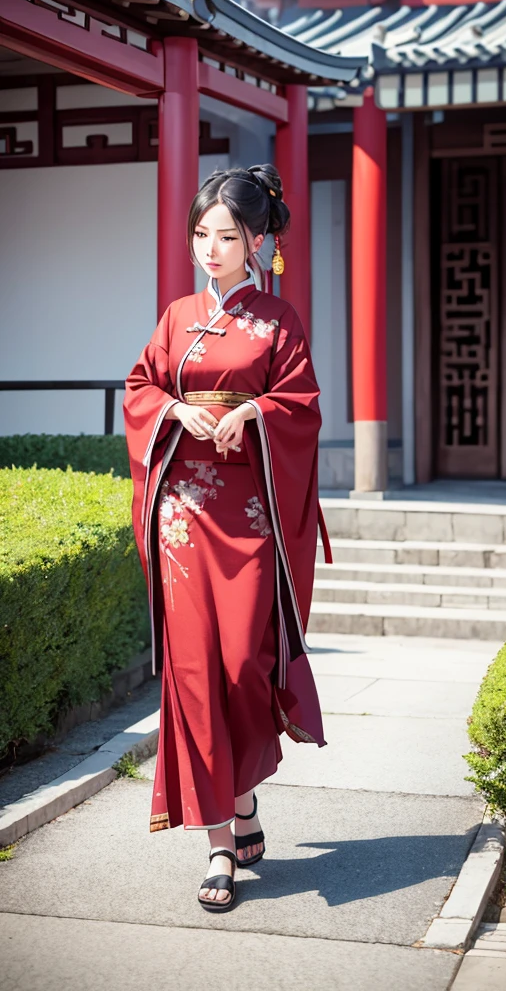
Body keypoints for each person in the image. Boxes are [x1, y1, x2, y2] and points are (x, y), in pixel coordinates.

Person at [123, 163, 332, 913]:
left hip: (249, 514)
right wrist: (176, 413)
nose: (210, 249)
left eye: (226, 236)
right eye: (200, 236)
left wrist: (255, 413)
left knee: (244, 660)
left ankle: (244, 796)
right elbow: (142, 387)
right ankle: (218, 840)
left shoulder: (280, 321)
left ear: (257, 242)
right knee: (193, 671)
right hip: (182, 514)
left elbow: (302, 403)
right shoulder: (177, 316)